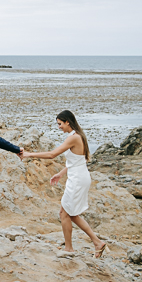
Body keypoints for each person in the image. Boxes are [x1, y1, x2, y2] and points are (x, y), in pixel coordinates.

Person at [23, 110, 107, 257]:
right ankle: (96, 242)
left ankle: (71, 248)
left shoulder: (74, 137)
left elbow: (52, 154)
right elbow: (77, 160)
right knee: (70, 213)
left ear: (68, 121)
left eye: (60, 124)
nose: (59, 127)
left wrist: (28, 154)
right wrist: (60, 174)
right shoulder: (76, 136)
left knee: (65, 213)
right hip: (78, 176)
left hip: (78, 179)